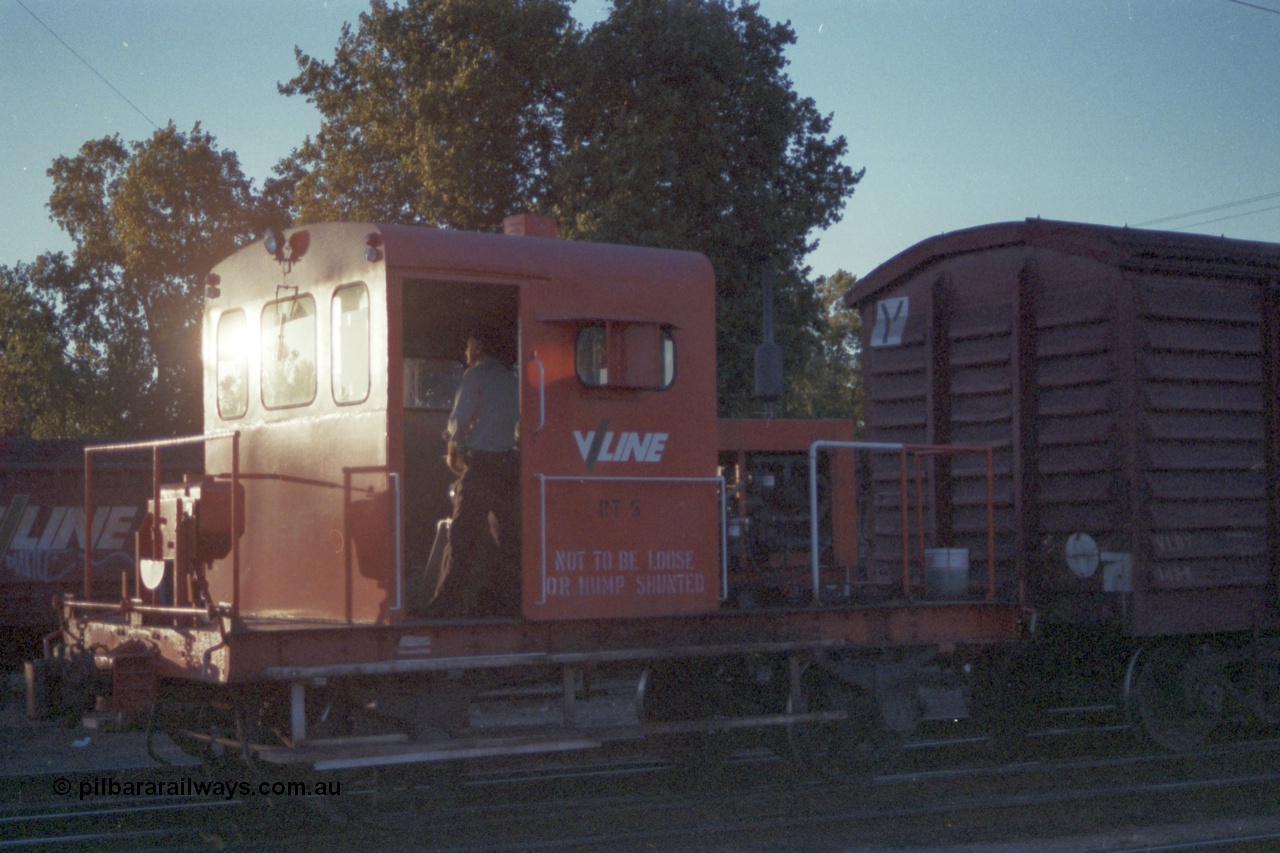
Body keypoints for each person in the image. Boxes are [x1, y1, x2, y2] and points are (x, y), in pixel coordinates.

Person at [430, 326, 521, 617]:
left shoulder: (474, 376)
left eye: (468, 347)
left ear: (478, 348)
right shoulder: (511, 379)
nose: (465, 353)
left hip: (481, 465)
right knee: (504, 540)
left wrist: (454, 450)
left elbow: (458, 423)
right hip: (508, 466)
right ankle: (505, 604)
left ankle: (444, 607)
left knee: (461, 537)